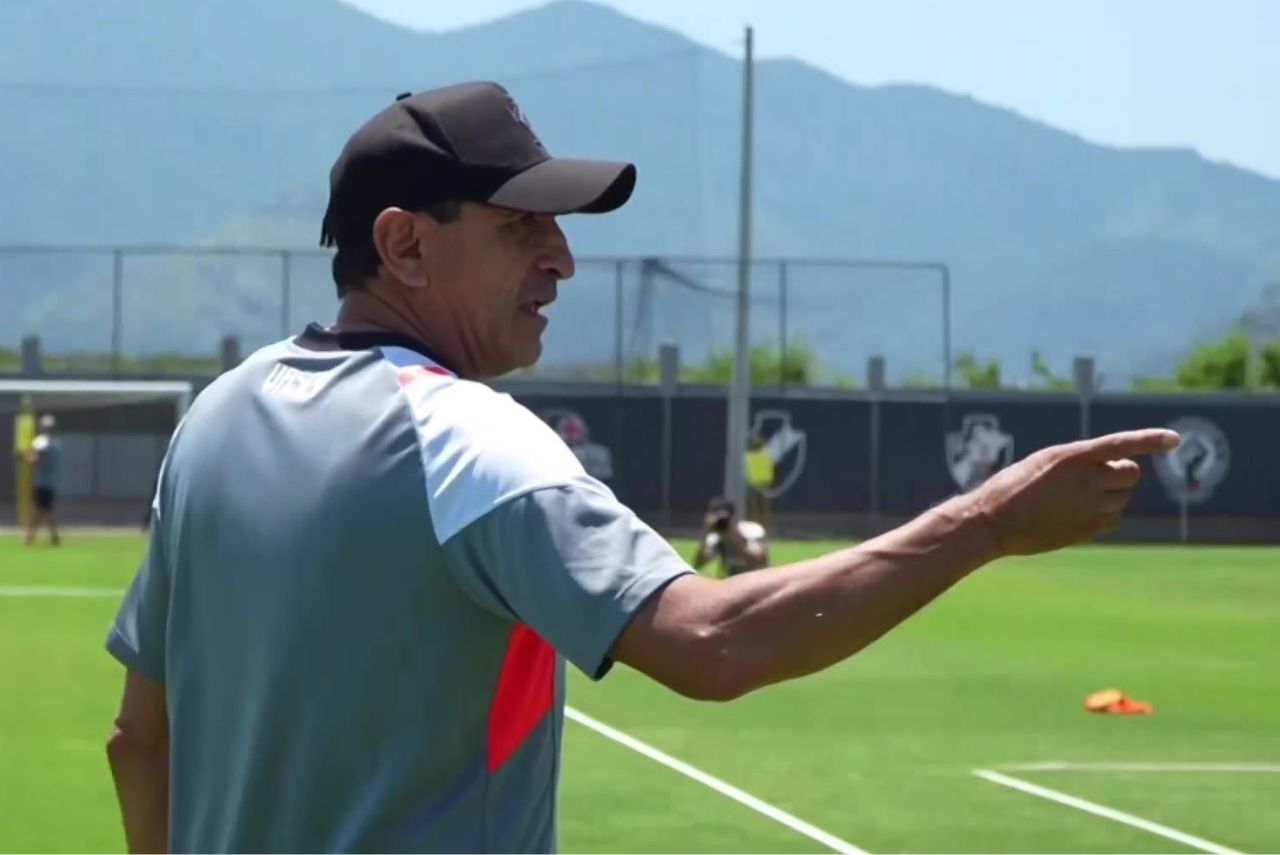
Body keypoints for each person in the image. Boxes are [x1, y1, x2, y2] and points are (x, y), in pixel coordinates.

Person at [103, 81, 1179, 854]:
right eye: (522, 227)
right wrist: (986, 521)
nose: (562, 258)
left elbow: (135, 744)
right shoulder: (464, 437)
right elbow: (712, 646)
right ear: (403, 244)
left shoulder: (215, 421)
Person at [691, 497, 768, 577]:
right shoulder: (715, 536)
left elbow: (760, 562)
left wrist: (734, 536)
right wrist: (705, 535)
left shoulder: (752, 530)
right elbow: (697, 565)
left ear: (735, 517)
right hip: (729, 580)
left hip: (752, 580)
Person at [24, 414, 62, 546]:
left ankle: (29, 537)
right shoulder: (56, 443)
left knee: (38, 510)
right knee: (47, 509)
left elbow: (38, 461)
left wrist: (28, 458)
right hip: (51, 482)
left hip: (42, 482)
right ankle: (54, 536)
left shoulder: (41, 442)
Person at [744, 432, 774, 529]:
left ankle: (757, 527)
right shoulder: (766, 454)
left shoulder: (748, 455)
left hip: (754, 484)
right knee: (764, 508)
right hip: (764, 483)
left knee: (755, 509)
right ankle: (765, 527)